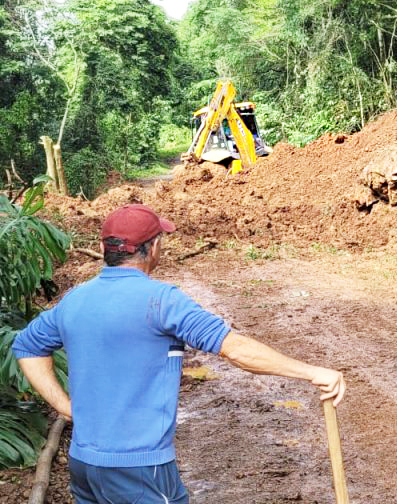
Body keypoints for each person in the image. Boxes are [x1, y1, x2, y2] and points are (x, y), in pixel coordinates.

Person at [14, 204, 345, 504]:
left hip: (85, 466)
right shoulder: (161, 301)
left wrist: (64, 406)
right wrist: (313, 372)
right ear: (155, 247)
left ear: (103, 249)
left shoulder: (74, 300)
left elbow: (27, 347)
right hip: (141, 470)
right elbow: (236, 350)